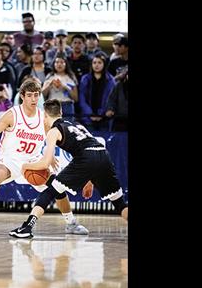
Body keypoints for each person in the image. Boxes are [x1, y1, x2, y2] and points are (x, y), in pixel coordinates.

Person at [0, 80, 89, 235]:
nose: (34, 99)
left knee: (57, 187)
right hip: (10, 159)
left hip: (33, 160)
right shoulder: (12, 114)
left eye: (36, 95)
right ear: (22, 96)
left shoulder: (44, 118)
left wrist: (50, 154)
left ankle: (71, 223)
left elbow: (55, 138)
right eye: (29, 95)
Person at [9, 99, 128, 238]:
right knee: (120, 204)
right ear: (60, 113)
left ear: (45, 116)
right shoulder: (77, 124)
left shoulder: (53, 131)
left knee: (50, 191)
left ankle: (27, 227)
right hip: (103, 156)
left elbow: (45, 163)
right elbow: (90, 147)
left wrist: (25, 166)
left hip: (87, 157)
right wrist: (90, 180)